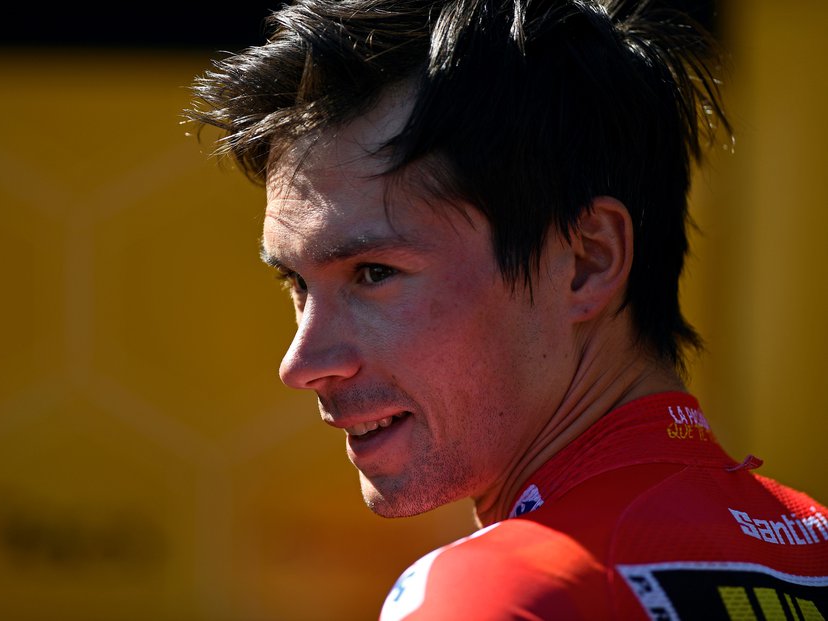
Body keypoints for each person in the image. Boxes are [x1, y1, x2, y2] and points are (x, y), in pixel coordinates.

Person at [185, 0, 828, 618]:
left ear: (585, 261)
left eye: (374, 273)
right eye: (297, 284)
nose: (301, 364)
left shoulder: (498, 593)